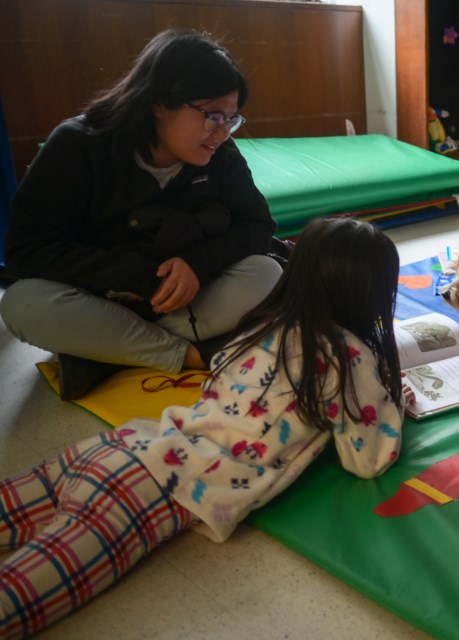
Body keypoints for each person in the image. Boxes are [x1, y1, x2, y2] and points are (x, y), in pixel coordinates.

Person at [0, 216, 416, 639]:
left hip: (122, 444)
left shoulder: (262, 324)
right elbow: (368, 459)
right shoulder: (350, 357)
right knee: (13, 600)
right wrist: (392, 402)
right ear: (371, 293)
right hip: (143, 493)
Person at [0, 29, 283, 400]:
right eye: (212, 115)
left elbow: (259, 225)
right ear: (159, 102)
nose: (222, 133)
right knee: (23, 305)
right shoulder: (79, 145)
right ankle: (186, 353)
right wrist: (133, 275)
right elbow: (26, 249)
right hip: (98, 299)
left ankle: (102, 358)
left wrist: (197, 264)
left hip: (180, 303)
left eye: (231, 119)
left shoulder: (221, 155)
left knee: (266, 272)